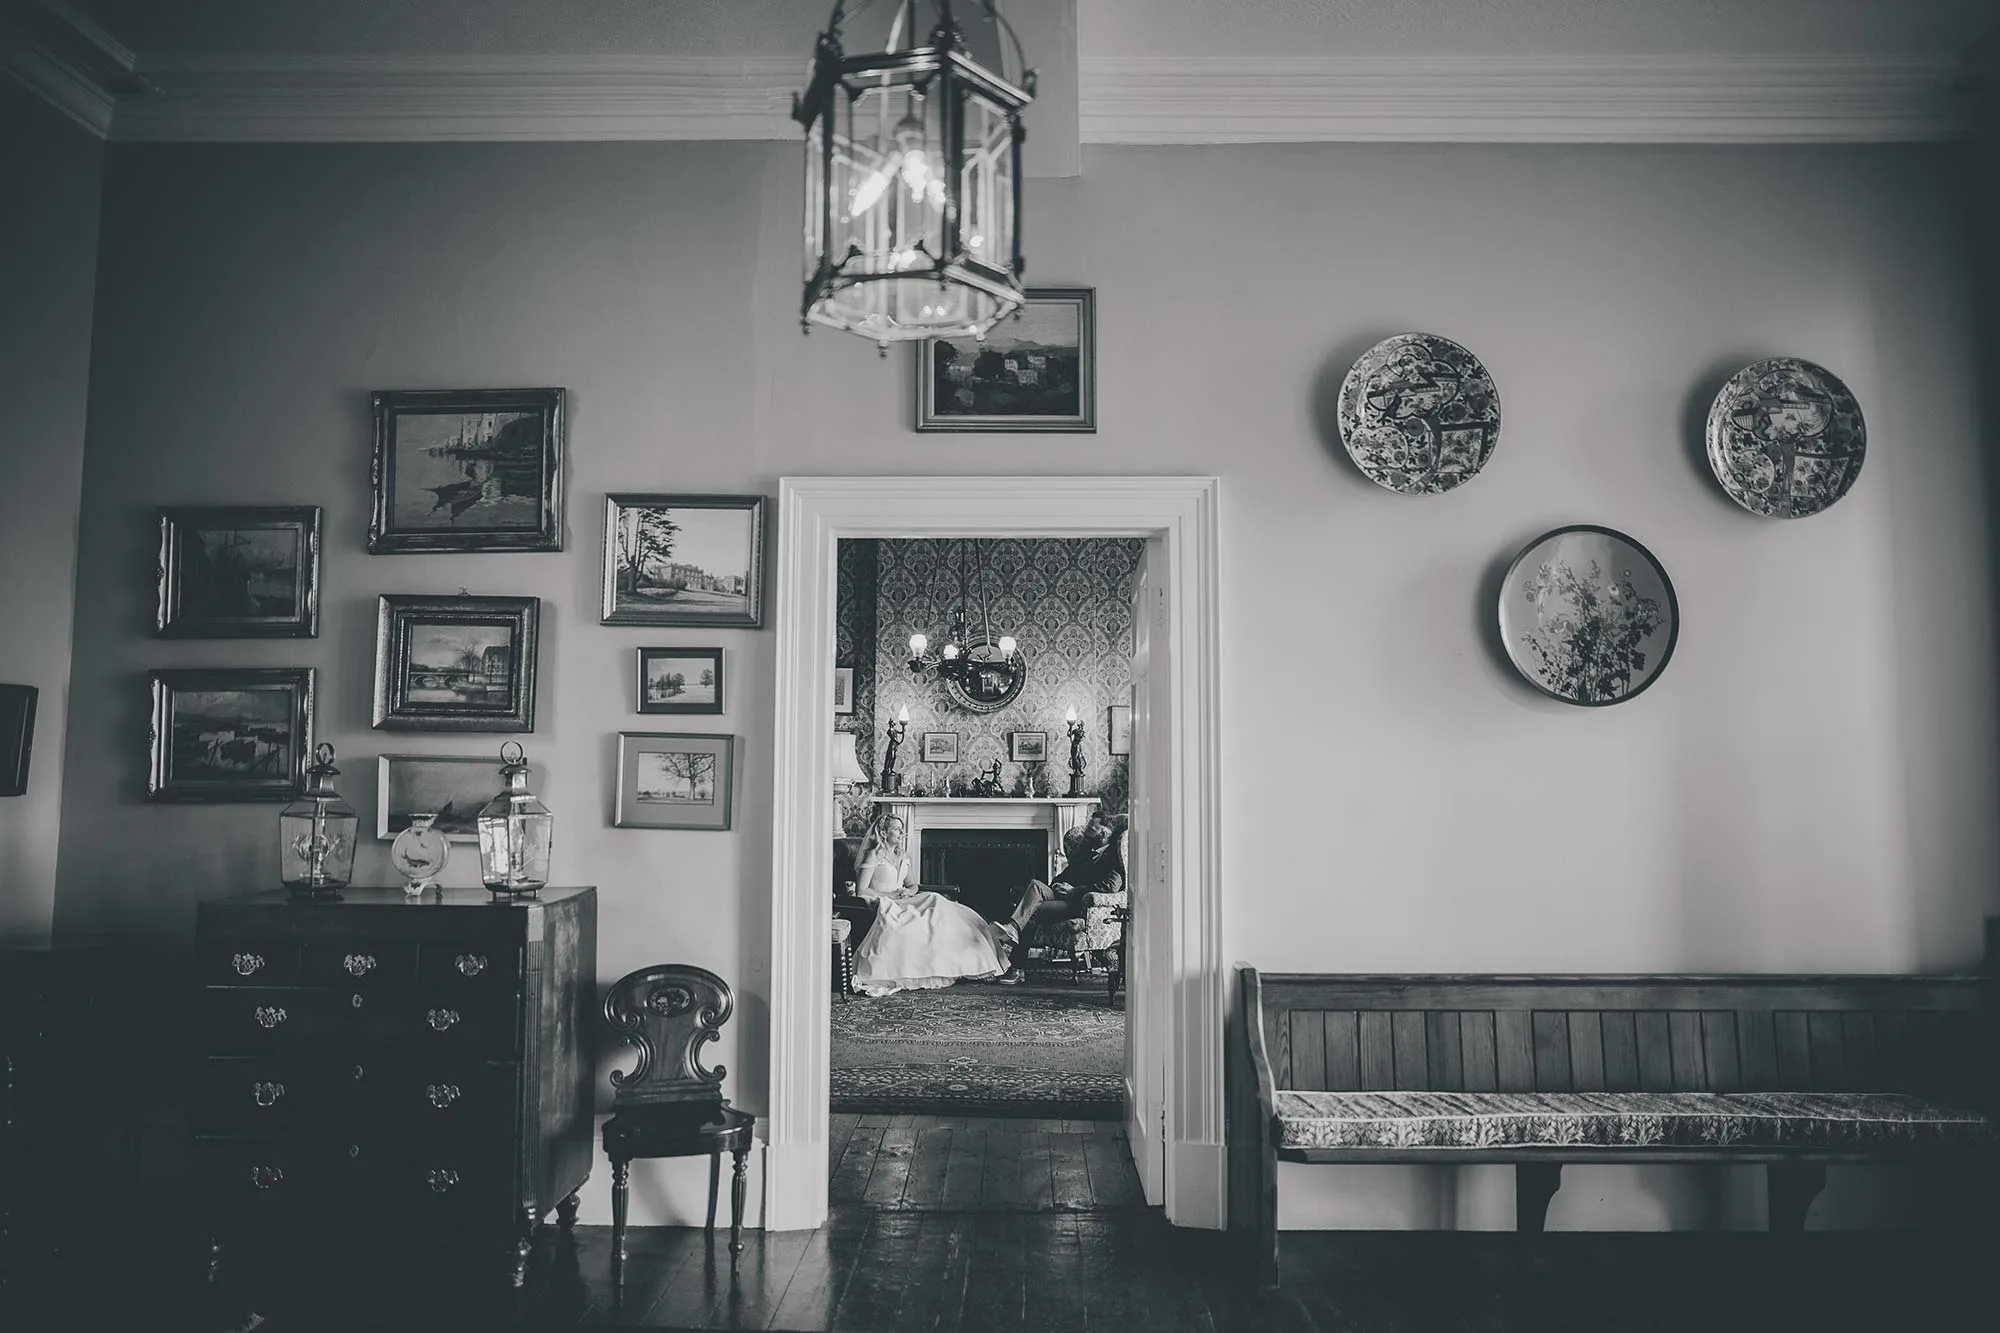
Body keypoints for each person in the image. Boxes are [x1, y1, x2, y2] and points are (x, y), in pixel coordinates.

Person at [847, 813, 1008, 997]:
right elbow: (862, 891)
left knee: (937, 902)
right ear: (883, 833)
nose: (902, 833)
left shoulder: (901, 855)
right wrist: (890, 895)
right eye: (896, 829)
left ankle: (977, 957)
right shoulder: (873, 856)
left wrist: (909, 891)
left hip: (904, 899)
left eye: (902, 829)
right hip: (885, 902)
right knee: (929, 913)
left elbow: (913, 885)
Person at [994, 812, 1126, 982]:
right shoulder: (1086, 851)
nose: (1085, 832)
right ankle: (1013, 928)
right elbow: (1065, 876)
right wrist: (1058, 885)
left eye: (1091, 829)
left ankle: (1016, 968)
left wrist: (1073, 891)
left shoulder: (1113, 857)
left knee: (1032, 911)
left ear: (1104, 834)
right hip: (1062, 897)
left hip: (1078, 905)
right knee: (1035, 885)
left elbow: (1110, 886)